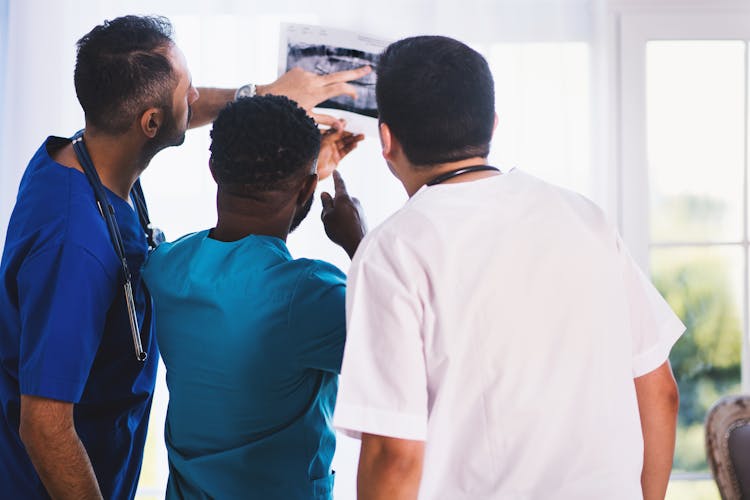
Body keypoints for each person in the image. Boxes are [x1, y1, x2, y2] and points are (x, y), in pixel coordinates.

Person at [0, 15, 369, 499]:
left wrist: (265, 101)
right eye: (188, 90)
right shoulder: (75, 247)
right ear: (151, 123)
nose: (197, 99)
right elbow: (45, 427)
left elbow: (167, 118)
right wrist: (352, 237)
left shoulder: (86, 160)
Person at [334, 35, 683, 500]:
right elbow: (660, 393)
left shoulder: (391, 250)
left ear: (386, 137)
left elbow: (393, 454)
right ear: (492, 125)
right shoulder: (584, 217)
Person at [141, 95, 366, 499]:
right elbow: (404, 351)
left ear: (213, 170)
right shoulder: (310, 296)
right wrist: (360, 245)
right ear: (307, 189)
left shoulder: (164, 268)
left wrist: (303, 178)